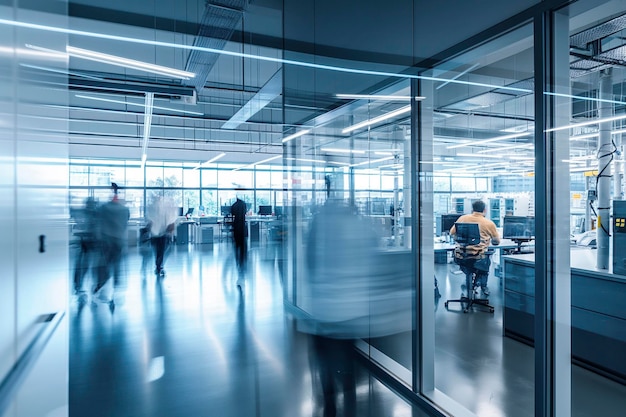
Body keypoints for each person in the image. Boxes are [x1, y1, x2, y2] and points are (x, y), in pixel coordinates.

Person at [450, 200, 500, 296]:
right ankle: (483, 286)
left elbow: (452, 233)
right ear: (485, 210)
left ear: (472, 209)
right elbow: (496, 242)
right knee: (486, 262)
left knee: (470, 267)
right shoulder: (489, 223)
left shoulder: (462, 218)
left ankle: (470, 284)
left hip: (460, 257)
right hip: (477, 258)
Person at [93, 183, 130, 308]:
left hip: (107, 240)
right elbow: (125, 224)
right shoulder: (125, 210)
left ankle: (100, 284)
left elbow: (99, 221)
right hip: (118, 241)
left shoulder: (104, 208)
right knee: (116, 264)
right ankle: (116, 286)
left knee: (105, 264)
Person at [147, 196, 178, 277]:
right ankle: (159, 266)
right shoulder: (153, 210)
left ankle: (159, 266)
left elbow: (170, 220)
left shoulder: (164, 210)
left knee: (160, 251)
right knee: (159, 251)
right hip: (156, 234)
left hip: (162, 234)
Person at [230, 194, 248, 279]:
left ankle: (237, 261)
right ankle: (243, 261)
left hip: (236, 227)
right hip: (242, 227)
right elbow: (245, 213)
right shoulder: (244, 204)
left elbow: (232, 213)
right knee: (243, 245)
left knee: (237, 245)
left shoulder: (234, 205)